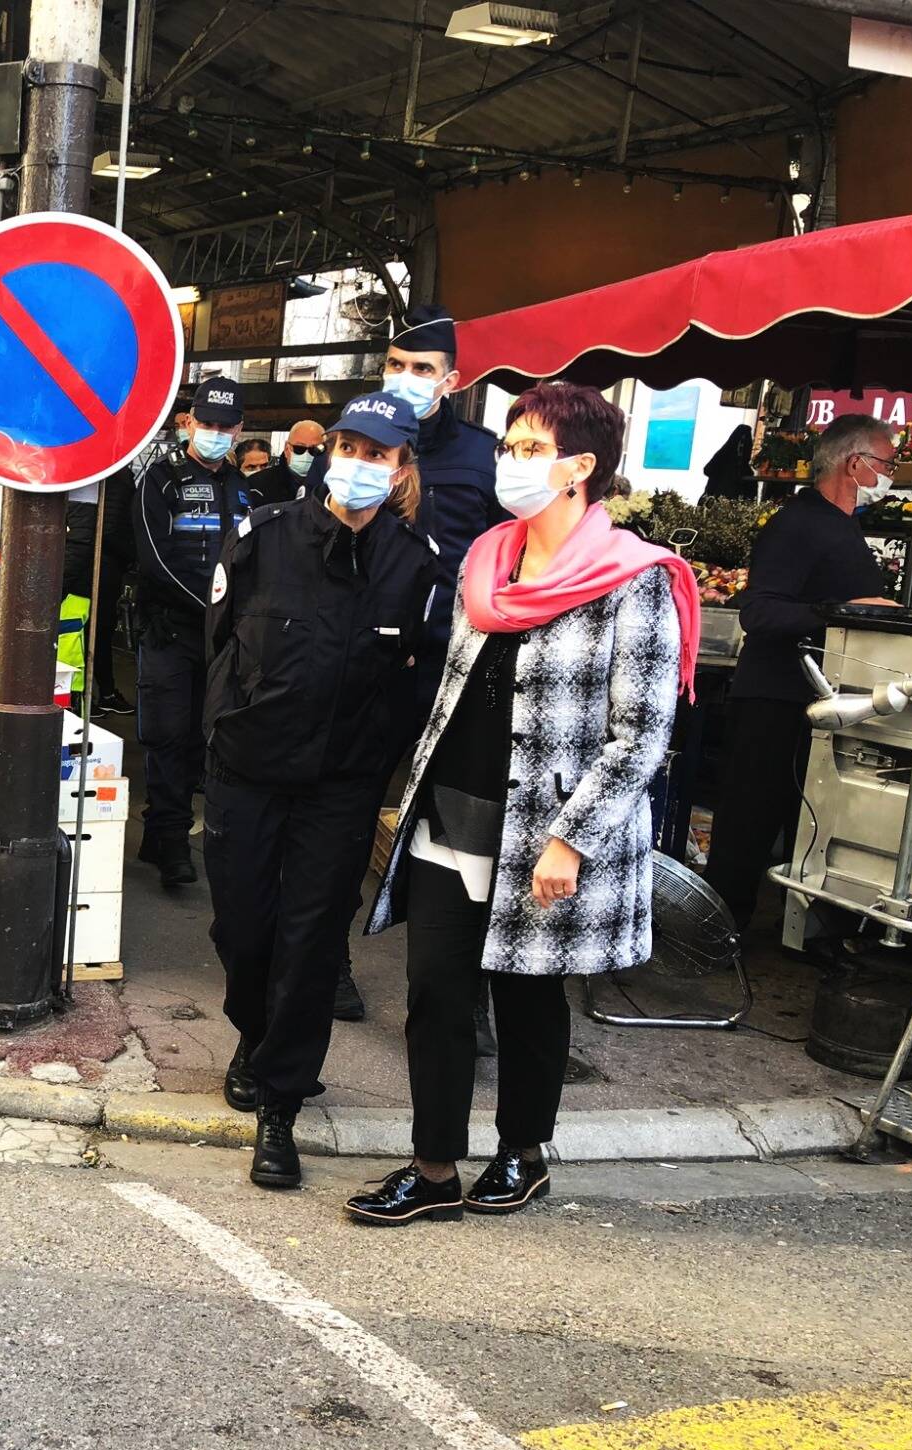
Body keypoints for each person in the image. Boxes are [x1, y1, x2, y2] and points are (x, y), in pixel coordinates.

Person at [352, 382, 698, 1226]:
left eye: (530, 448)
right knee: (435, 990)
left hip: (545, 828)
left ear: (581, 467)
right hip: (453, 810)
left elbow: (641, 733)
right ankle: (433, 1167)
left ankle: (523, 1152)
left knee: (527, 995)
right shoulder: (486, 560)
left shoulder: (634, 579)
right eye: (509, 445)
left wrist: (571, 840)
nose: (510, 460)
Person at [205, 392, 445, 1191]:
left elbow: (419, 678)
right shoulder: (262, 536)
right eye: (349, 447)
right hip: (247, 769)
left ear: (401, 469)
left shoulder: (415, 564)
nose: (358, 464)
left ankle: (281, 1102)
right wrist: (222, 729)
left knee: (310, 945)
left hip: (339, 787)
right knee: (243, 929)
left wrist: (378, 758)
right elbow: (219, 644)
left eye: (378, 455)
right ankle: (253, 1031)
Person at [335, 305, 506, 1025]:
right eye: (396, 366)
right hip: (374, 661)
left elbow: (509, 556)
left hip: (455, 664)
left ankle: (464, 996)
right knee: (347, 809)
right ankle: (331, 962)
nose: (406, 378)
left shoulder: (483, 456)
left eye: (422, 369)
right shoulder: (360, 441)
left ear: (450, 380)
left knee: (462, 828)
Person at [704, 415, 898, 931]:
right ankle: (719, 932)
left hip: (817, 700)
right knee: (748, 821)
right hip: (773, 697)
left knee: (803, 820)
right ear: (855, 464)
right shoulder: (796, 524)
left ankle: (797, 929)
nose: (891, 475)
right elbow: (759, 612)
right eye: (887, 463)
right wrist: (846, 611)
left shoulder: (842, 524)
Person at [131, 375, 253, 887]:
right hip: (171, 632)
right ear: (189, 422)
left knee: (210, 740)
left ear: (238, 429)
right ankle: (171, 839)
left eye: (226, 427)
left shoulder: (245, 489)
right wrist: (211, 610)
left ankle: (164, 835)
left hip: (225, 640)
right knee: (168, 736)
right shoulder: (160, 480)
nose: (215, 433)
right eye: (207, 423)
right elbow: (154, 561)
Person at [61, 463, 138, 716]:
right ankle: (96, 695)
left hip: (93, 568)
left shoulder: (102, 475)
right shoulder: (116, 475)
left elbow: (102, 528)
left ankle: (88, 697)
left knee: (85, 635)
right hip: (100, 566)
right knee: (93, 634)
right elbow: (110, 527)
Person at [251, 418, 327, 507]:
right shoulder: (257, 485)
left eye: (314, 450)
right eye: (299, 449)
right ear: (287, 449)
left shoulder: (333, 487)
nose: (307, 455)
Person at [701, 425, 756, 501]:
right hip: (725, 499)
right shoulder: (743, 468)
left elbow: (708, 470)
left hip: (716, 498)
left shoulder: (723, 455)